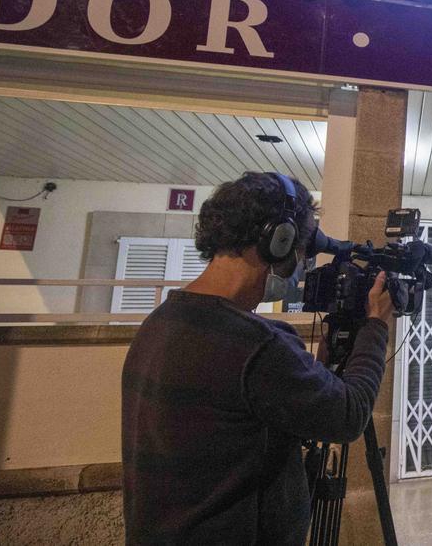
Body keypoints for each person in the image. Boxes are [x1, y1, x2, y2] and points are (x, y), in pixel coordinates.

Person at [121, 172, 394, 545]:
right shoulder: (255, 343)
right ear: (277, 241)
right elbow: (348, 416)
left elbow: (251, 410)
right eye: (302, 249)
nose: (303, 264)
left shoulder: (161, 321)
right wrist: (376, 325)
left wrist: (316, 366)